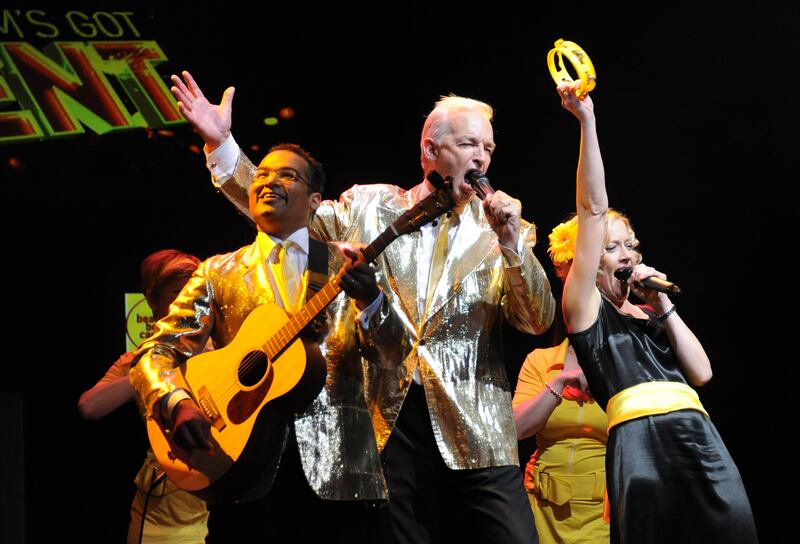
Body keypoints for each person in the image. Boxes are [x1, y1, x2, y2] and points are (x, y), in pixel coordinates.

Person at [170, 70, 556, 543]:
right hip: (388, 422)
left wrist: (513, 241)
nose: (482, 156)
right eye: (470, 144)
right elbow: (287, 210)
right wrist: (223, 147)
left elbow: (536, 319)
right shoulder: (369, 206)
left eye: (489, 149)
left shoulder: (505, 228)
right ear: (431, 151)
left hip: (476, 426)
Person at [128, 144, 395, 543]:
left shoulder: (351, 266)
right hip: (240, 471)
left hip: (342, 477)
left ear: (315, 201)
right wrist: (174, 400)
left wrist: (372, 302)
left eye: (288, 175)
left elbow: (395, 357)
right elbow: (156, 351)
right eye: (262, 175)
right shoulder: (217, 271)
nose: (270, 181)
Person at [556, 80, 757, 543]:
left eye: (631, 244)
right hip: (641, 444)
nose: (626, 253)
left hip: (700, 436)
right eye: (611, 246)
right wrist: (587, 122)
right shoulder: (585, 310)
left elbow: (702, 373)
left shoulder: (652, 312)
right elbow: (591, 209)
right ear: (587, 259)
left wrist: (662, 304)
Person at [78, 249, 209, 544]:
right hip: (162, 519)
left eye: (194, 291)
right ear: (153, 302)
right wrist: (149, 371)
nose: (188, 301)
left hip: (207, 507)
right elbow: (89, 406)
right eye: (177, 293)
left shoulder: (218, 346)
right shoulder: (137, 360)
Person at [512, 219, 609, 544]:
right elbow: (515, 430)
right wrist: (557, 387)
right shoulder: (541, 361)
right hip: (540, 507)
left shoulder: (622, 361)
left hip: (602, 513)